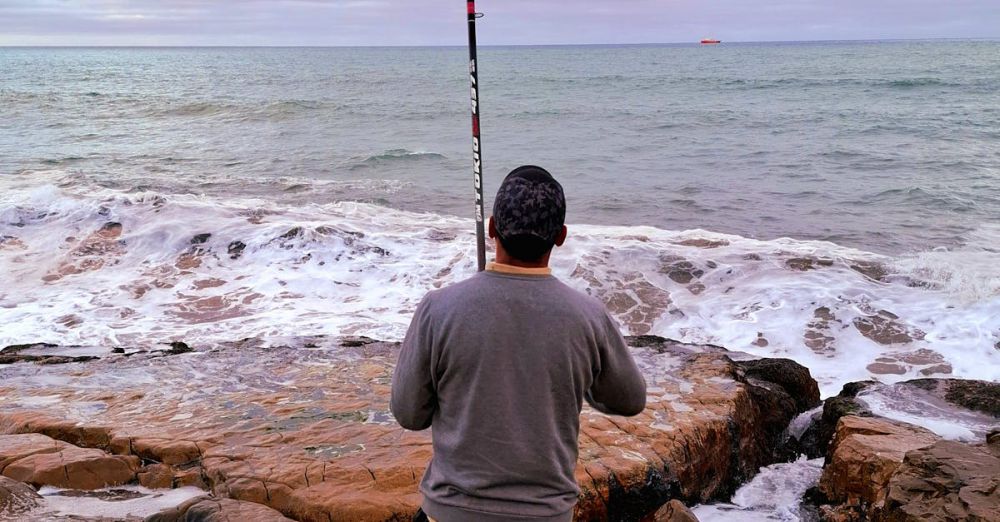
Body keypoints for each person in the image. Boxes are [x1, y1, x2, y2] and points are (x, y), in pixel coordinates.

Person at [391, 165, 647, 522]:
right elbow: (630, 400)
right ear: (560, 236)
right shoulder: (588, 316)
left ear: (493, 227)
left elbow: (408, 413)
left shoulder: (439, 308)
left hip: (450, 513)